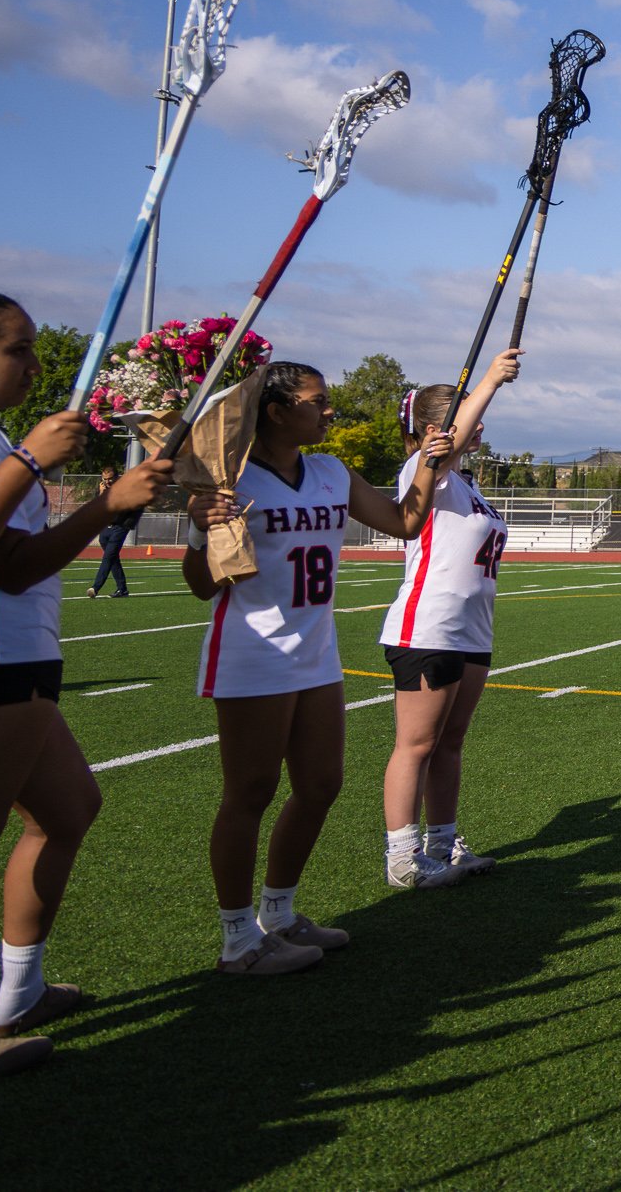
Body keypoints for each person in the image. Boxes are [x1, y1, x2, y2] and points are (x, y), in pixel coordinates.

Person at [0, 280, 172, 1085]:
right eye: (17, 349)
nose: (34, 364)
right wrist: (106, 505)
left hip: (1, 656)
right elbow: (16, 568)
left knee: (68, 808)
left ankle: (18, 993)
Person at [183, 363, 457, 976]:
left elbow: (405, 522)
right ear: (277, 411)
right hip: (254, 652)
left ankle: (279, 915)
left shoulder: (331, 471)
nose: (330, 410)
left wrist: (430, 463)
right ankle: (237, 939)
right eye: (318, 401)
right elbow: (201, 585)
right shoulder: (233, 480)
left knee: (320, 785)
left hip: (316, 651)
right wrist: (203, 533)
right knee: (250, 793)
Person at [378, 359, 520, 890]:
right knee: (416, 744)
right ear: (436, 430)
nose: (480, 426)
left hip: (472, 631)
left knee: (450, 742)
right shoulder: (425, 470)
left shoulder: (464, 482)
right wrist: (490, 380)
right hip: (428, 627)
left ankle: (442, 843)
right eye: (468, 419)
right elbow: (447, 445)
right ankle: (402, 857)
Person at [86, 472, 134, 599]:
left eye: (110, 479)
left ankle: (95, 588)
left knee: (108, 557)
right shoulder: (102, 490)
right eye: (105, 479)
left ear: (116, 477)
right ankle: (122, 589)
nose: (107, 481)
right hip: (106, 528)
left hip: (120, 527)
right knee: (113, 558)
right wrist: (101, 494)